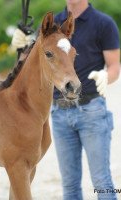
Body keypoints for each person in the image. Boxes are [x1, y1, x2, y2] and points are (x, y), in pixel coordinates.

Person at [11, 0, 120, 199]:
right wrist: (19, 47)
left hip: (92, 110)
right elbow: (27, 66)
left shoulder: (104, 24)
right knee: (69, 185)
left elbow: (114, 67)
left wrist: (106, 76)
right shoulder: (52, 25)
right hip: (60, 113)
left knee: (101, 180)